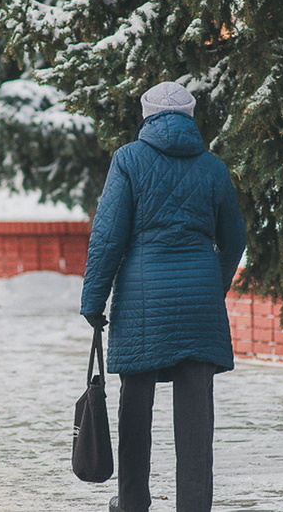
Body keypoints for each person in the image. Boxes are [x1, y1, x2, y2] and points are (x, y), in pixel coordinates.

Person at [80, 82, 247, 512]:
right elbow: (234, 238)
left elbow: (108, 237)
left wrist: (93, 302)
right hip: (199, 304)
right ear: (190, 116)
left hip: (143, 304)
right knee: (196, 419)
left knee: (135, 409)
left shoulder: (128, 159)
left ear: (147, 115)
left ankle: (132, 502)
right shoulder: (212, 166)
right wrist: (213, 286)